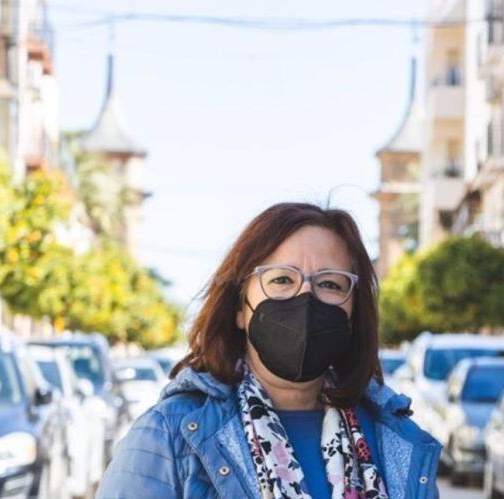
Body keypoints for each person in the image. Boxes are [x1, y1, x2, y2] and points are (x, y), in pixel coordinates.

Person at [98, 203, 441, 499]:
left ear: (354, 314)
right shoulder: (168, 436)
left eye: (329, 284)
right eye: (281, 280)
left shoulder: (396, 442)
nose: (305, 298)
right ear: (239, 308)